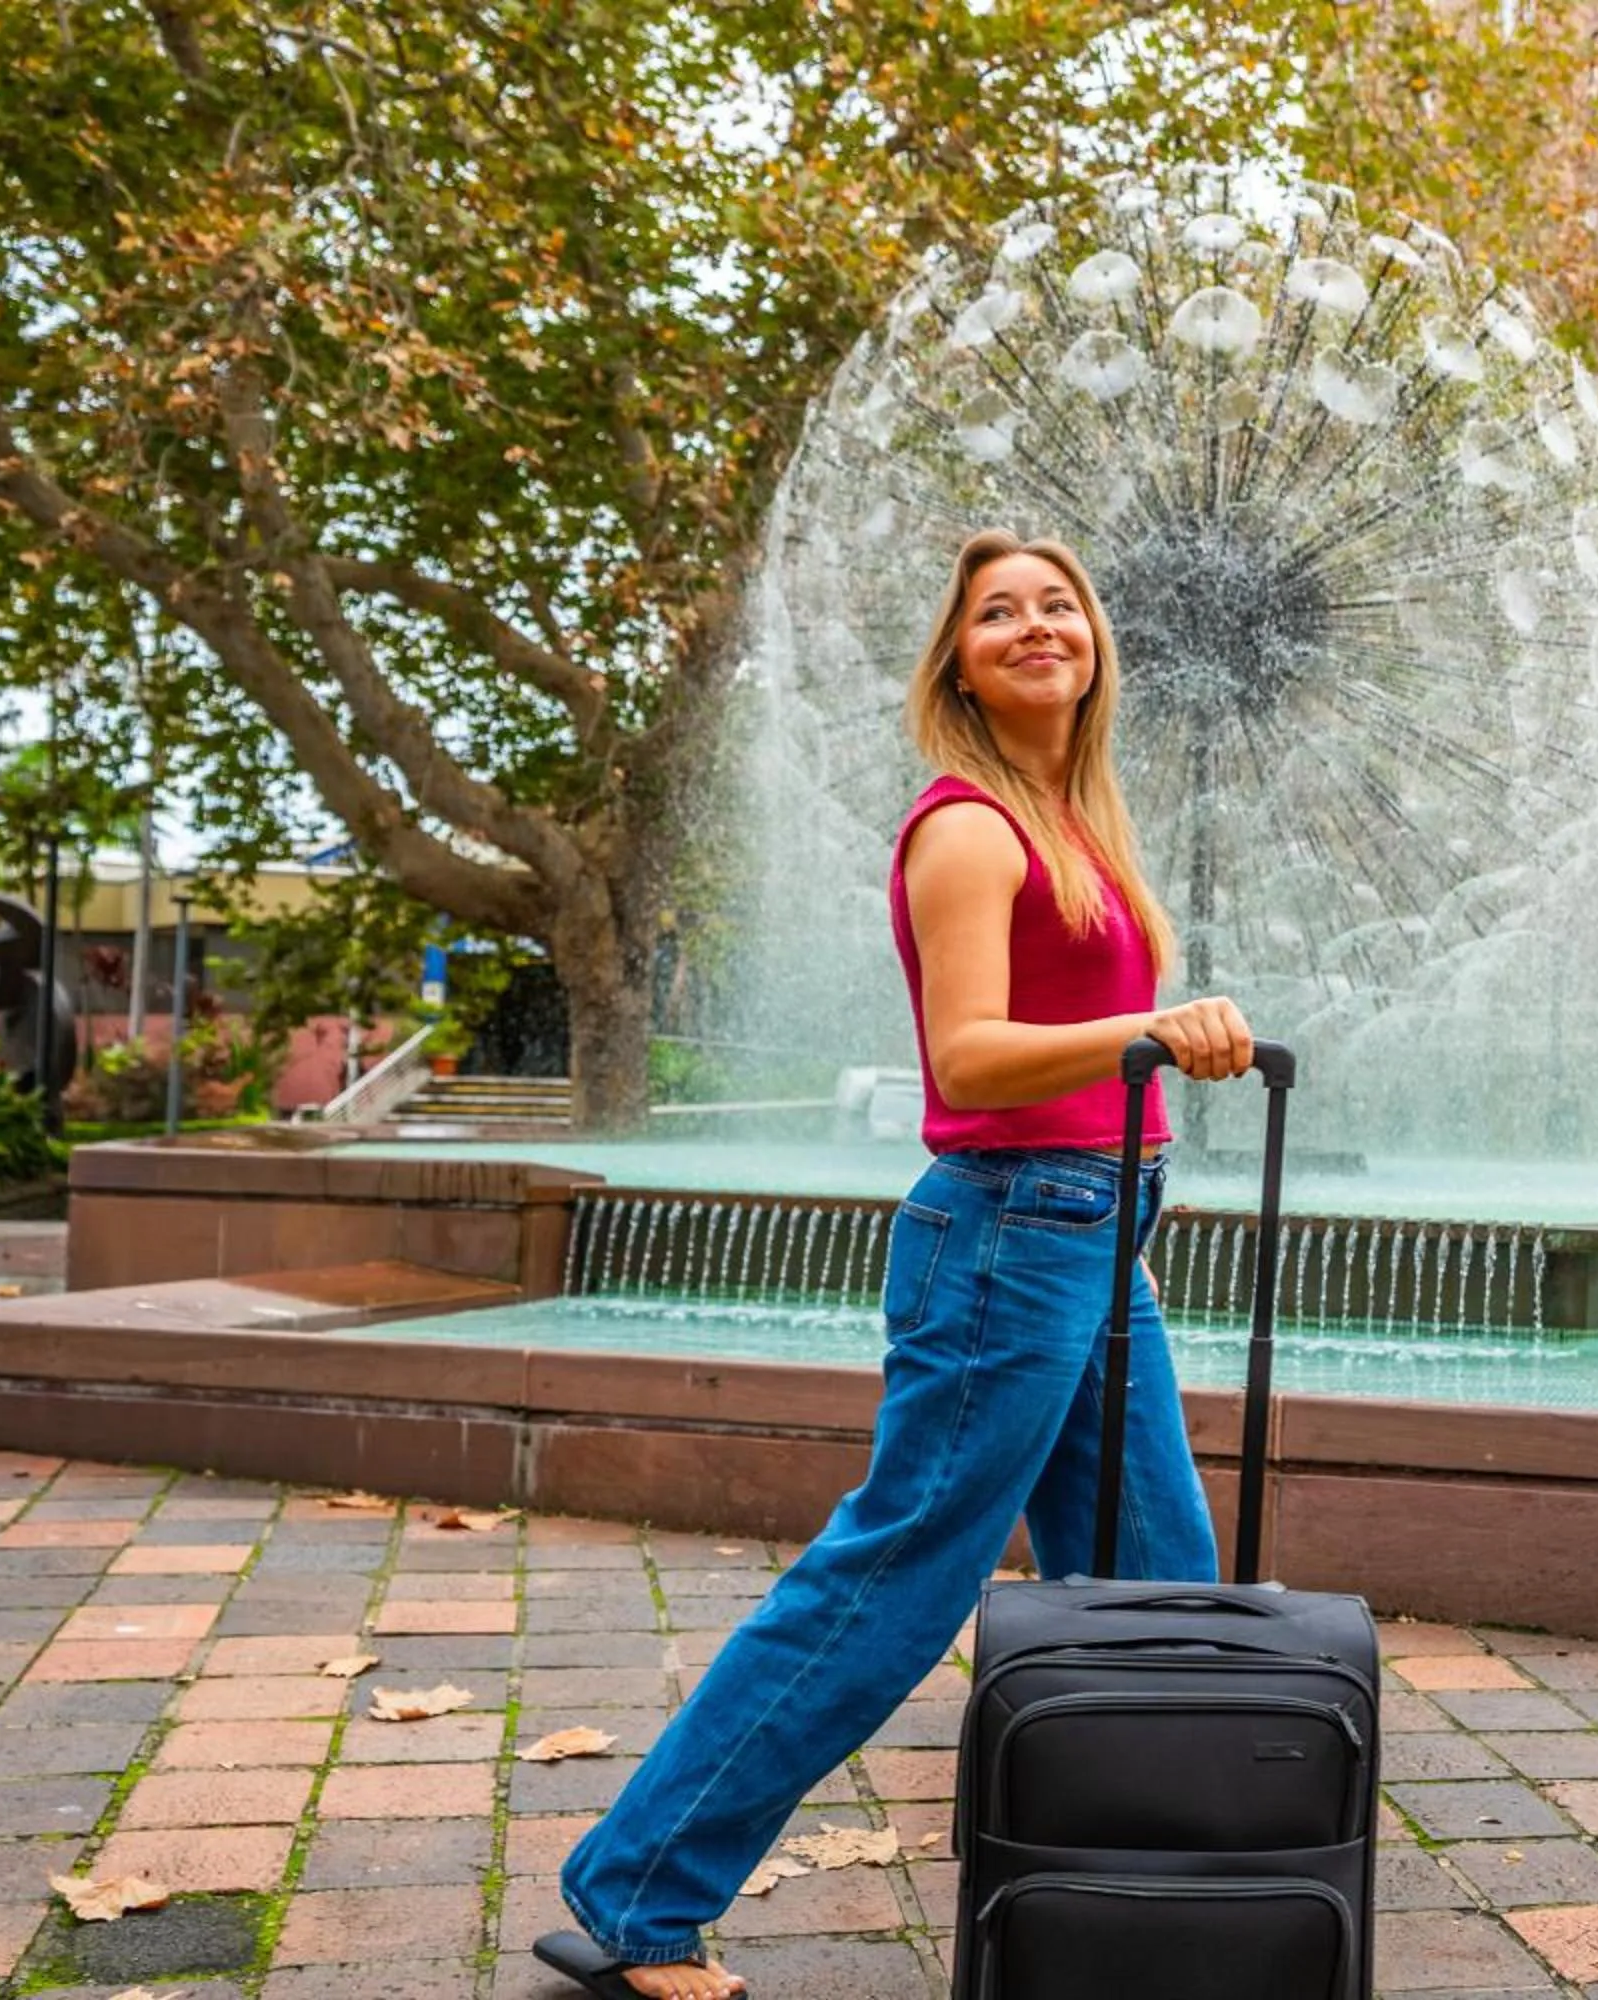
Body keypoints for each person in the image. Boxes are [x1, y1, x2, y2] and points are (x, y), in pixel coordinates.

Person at [537, 530, 1258, 2000]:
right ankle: (635, 1899)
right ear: (961, 663)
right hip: (1010, 1227)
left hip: (1095, 1231)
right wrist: (1152, 1033)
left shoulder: (1077, 819)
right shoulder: (968, 827)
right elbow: (971, 1061)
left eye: (1059, 605)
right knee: (894, 1581)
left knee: (1152, 1576)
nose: (1036, 625)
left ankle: (1154, 1895)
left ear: (1097, 643)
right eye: (1000, 613)